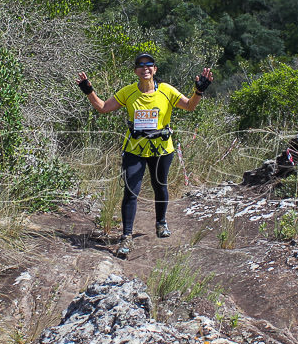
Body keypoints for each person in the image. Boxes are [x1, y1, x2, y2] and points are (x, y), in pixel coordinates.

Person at [76, 54, 213, 258]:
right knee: (131, 190)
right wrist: (88, 90)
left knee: (160, 185)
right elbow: (103, 107)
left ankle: (161, 223)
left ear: (155, 70)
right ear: (135, 71)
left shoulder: (166, 90)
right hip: (134, 149)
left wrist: (199, 91)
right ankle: (126, 236)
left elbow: (189, 106)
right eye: (140, 65)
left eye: (149, 65)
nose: (145, 68)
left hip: (161, 149)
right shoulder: (129, 92)